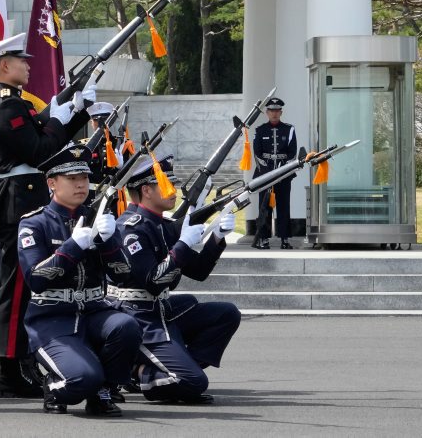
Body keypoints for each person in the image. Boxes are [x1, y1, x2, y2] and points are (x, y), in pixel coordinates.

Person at [0, 33, 96, 398]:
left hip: (25, 197)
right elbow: (39, 150)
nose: (29, 66)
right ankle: (9, 373)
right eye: (22, 61)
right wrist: (61, 118)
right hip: (18, 201)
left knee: (25, 287)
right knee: (16, 289)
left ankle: (24, 365)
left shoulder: (17, 104)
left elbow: (47, 137)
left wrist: (77, 108)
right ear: (5, 66)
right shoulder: (6, 105)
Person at [17, 144, 142, 416]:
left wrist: (109, 242)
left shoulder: (98, 218)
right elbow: (36, 279)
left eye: (84, 178)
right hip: (53, 318)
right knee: (83, 379)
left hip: (94, 311)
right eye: (72, 179)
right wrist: (72, 247)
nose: (80, 185)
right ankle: (54, 386)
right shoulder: (34, 224)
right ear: (52, 183)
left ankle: (103, 391)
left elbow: (123, 275)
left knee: (127, 326)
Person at [111, 154, 241, 404]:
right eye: (166, 185)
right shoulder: (131, 229)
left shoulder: (160, 225)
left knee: (226, 314)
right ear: (147, 190)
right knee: (193, 382)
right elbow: (154, 280)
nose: (173, 191)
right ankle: (138, 373)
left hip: (158, 309)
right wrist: (181, 245)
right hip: (136, 315)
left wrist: (217, 236)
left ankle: (173, 366)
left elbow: (199, 272)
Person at [252, 97, 298, 249]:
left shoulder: (289, 129)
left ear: (281, 112)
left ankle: (284, 239)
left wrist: (282, 170)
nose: (274, 113)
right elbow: (257, 153)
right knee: (265, 206)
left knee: (284, 206)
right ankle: (263, 239)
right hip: (265, 174)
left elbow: (292, 153)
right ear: (267, 112)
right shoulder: (260, 130)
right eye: (272, 110)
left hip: (284, 174)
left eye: (277, 110)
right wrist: (267, 173)